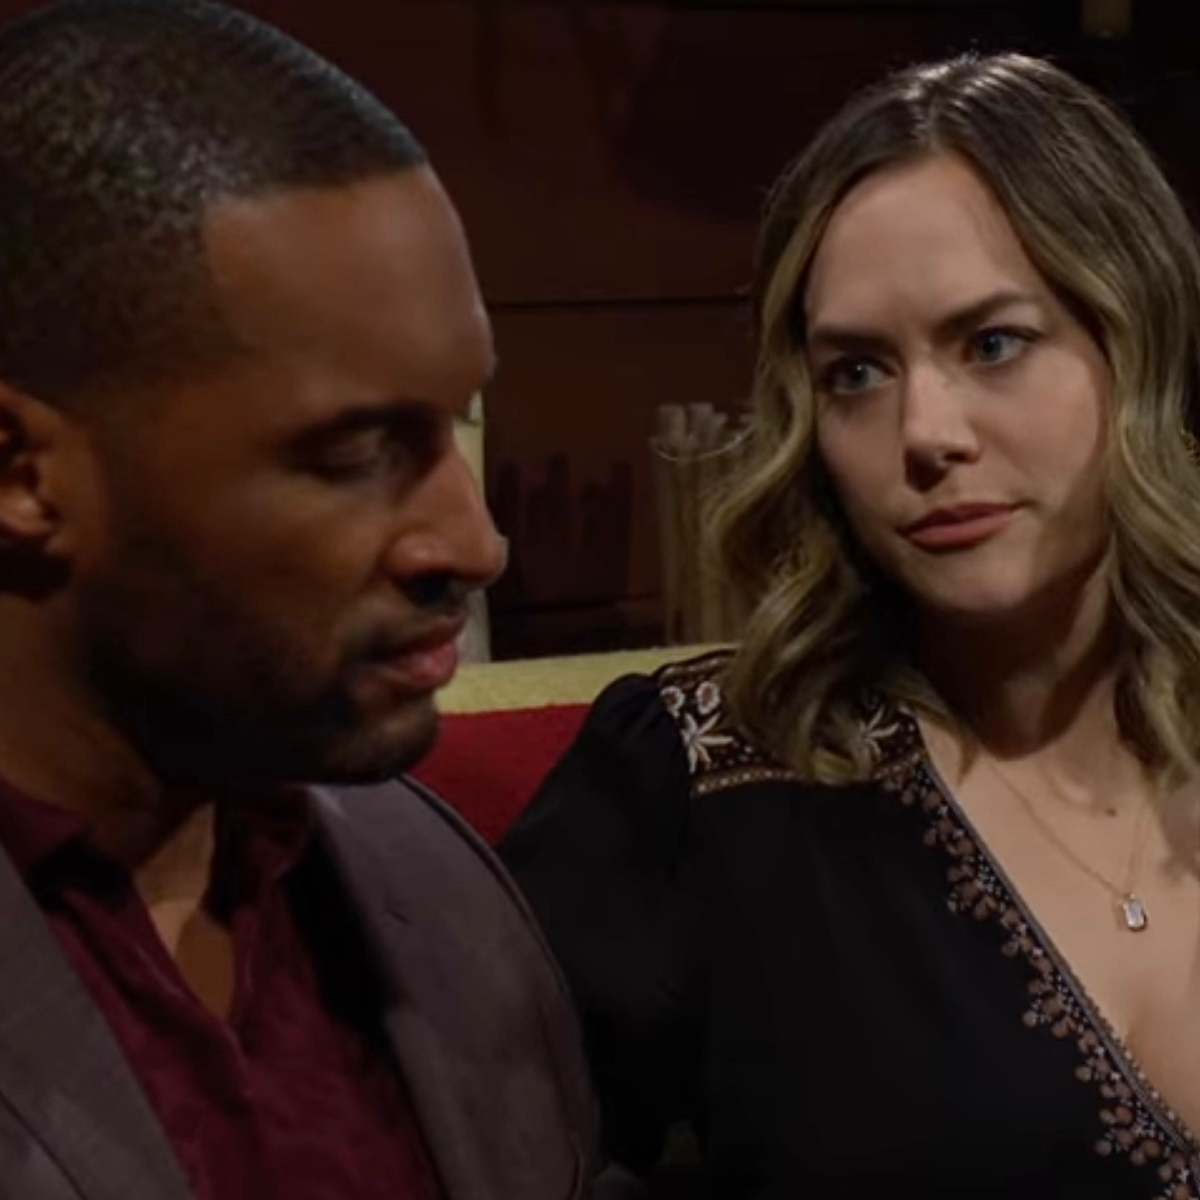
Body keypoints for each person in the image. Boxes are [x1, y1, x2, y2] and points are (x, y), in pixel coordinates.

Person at [501, 51, 1200, 1198]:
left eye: (993, 344)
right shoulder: (697, 777)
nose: (924, 433)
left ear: (1138, 346)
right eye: (858, 373)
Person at [0, 2, 599, 1197]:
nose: (475, 545)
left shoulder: (440, 880)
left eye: (454, 424)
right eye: (358, 452)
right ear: (22, 476)